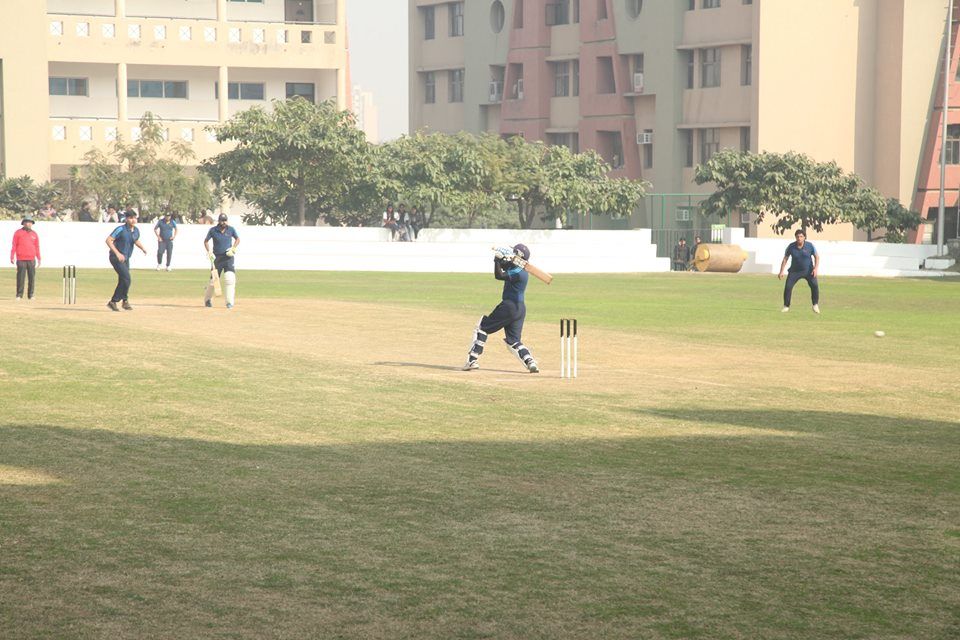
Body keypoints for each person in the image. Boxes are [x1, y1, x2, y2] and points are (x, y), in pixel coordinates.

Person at [462, 244, 540, 374]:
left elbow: (499, 275)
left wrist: (496, 260)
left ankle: (472, 360)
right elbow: (505, 266)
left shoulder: (518, 272)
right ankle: (530, 361)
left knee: (482, 327)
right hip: (520, 309)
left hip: (509, 306)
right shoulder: (519, 268)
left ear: (518, 255)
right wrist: (502, 258)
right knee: (513, 341)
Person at [105, 210, 147, 311]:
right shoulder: (121, 229)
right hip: (116, 258)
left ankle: (124, 301)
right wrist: (117, 253)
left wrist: (142, 248)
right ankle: (114, 301)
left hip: (126, 258)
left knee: (123, 280)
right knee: (127, 278)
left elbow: (135, 240)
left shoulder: (136, 230)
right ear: (127, 219)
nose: (133, 220)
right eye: (131, 218)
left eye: (134, 218)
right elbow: (108, 240)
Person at [203, 213, 240, 309]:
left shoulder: (231, 229)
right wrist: (209, 252)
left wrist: (233, 248)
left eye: (225, 220)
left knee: (230, 279)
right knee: (213, 281)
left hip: (228, 257)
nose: (223, 222)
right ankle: (207, 300)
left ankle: (229, 302)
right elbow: (206, 241)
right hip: (217, 258)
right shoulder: (213, 230)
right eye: (222, 220)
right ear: (219, 221)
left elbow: (238, 239)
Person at [779, 229, 820, 314]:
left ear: (804, 237)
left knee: (815, 286)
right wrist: (781, 271)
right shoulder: (791, 246)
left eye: (801, 236)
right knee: (788, 287)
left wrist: (815, 269)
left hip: (808, 271)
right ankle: (786, 306)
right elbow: (785, 258)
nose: (799, 238)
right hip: (794, 271)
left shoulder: (810, 246)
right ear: (795, 237)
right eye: (797, 236)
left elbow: (817, 257)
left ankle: (815, 305)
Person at [10, 217, 41, 300]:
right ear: (23, 223)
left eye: (30, 222)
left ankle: (31, 295)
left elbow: (37, 247)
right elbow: (14, 245)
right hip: (21, 259)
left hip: (31, 259)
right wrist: (12, 256)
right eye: (27, 222)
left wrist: (39, 258)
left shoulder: (34, 234)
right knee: (20, 278)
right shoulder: (18, 233)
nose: (29, 224)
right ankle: (19, 295)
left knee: (31, 278)